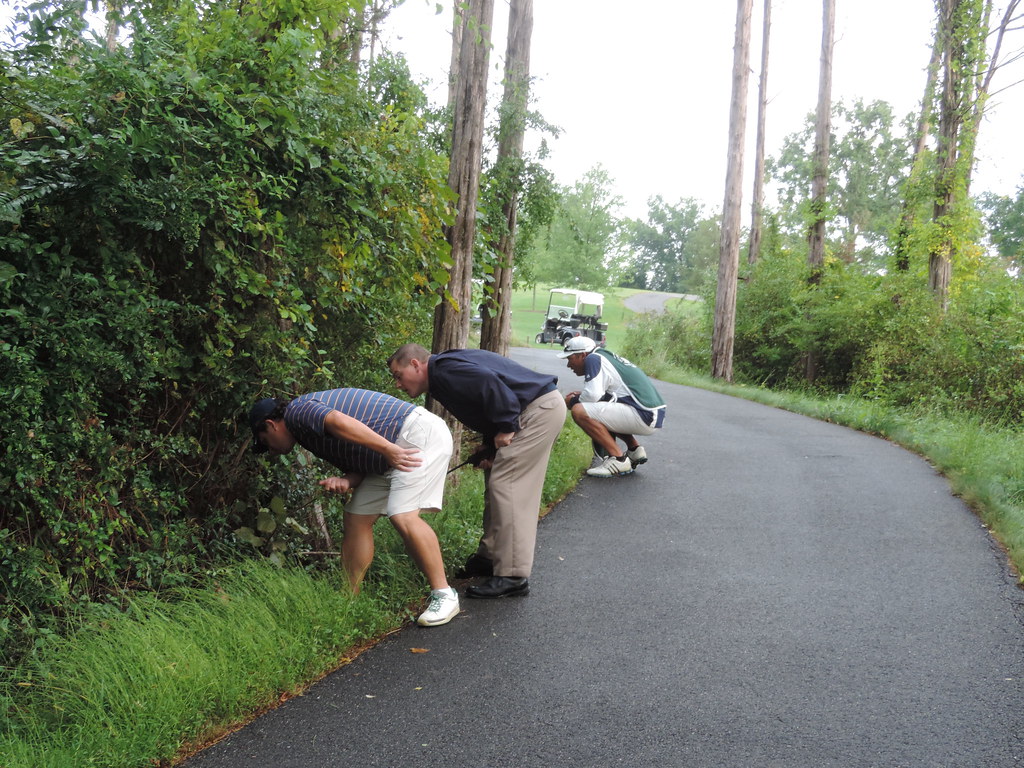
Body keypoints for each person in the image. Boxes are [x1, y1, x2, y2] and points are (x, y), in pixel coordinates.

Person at [248, 388, 459, 627]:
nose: (272, 451)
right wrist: (346, 480)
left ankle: (444, 594)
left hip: (415, 436)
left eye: (266, 442)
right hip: (387, 454)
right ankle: (349, 599)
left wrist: (389, 449)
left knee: (402, 514)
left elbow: (338, 420)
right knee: (356, 516)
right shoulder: (307, 435)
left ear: (271, 424)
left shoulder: (298, 411)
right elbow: (358, 466)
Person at [387, 343, 566, 599]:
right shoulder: (444, 372)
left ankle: (513, 575)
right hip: (533, 409)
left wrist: (505, 425)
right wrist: (489, 445)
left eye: (398, 376)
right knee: (497, 481)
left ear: (415, 365)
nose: (398, 384)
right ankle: (490, 557)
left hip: (536, 411)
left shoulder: (444, 371)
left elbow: (490, 385)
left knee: (508, 486)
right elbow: (485, 398)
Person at [558, 336, 667, 478]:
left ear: (582, 355)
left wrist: (572, 401)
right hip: (651, 413)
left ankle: (618, 459)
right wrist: (582, 396)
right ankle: (634, 449)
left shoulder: (593, 359)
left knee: (580, 411)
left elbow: (592, 395)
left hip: (644, 415)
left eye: (570, 358)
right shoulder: (603, 355)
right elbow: (604, 395)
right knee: (598, 409)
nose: (568, 365)